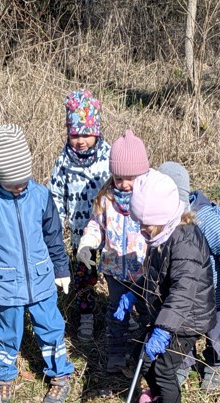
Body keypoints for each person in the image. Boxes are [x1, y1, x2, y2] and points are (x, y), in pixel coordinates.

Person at [0, 124, 74, 403]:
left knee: (51, 328)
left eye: (24, 180)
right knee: (7, 333)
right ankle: (4, 374)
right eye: (14, 183)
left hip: (41, 280)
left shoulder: (40, 196)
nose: (21, 186)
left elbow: (53, 237)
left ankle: (60, 374)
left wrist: (61, 270)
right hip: (5, 285)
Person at [113, 169, 215, 403]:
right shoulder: (160, 236)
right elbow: (156, 276)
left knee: (163, 368)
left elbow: (182, 292)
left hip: (187, 320)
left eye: (146, 225)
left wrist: (163, 329)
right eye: (140, 223)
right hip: (167, 314)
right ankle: (158, 397)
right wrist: (134, 293)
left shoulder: (186, 243)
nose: (142, 230)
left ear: (162, 217)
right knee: (143, 357)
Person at [157, 161, 220, 392]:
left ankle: (216, 363)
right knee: (182, 329)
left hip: (213, 293)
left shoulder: (205, 218)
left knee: (216, 330)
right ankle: (183, 363)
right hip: (186, 293)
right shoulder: (165, 220)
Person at [76, 128, 151, 375]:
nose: (125, 184)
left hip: (144, 271)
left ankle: (144, 354)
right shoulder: (106, 199)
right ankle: (117, 354)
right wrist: (87, 243)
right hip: (115, 271)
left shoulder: (150, 199)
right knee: (117, 313)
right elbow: (96, 225)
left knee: (147, 313)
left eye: (131, 178)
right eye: (119, 178)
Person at [48, 89, 111, 343]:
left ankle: (122, 312)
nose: (80, 140)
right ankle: (86, 314)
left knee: (117, 273)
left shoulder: (109, 156)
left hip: (111, 231)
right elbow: (55, 194)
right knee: (84, 275)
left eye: (86, 134)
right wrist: (55, 221)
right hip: (79, 232)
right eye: (75, 135)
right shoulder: (64, 160)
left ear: (96, 131)